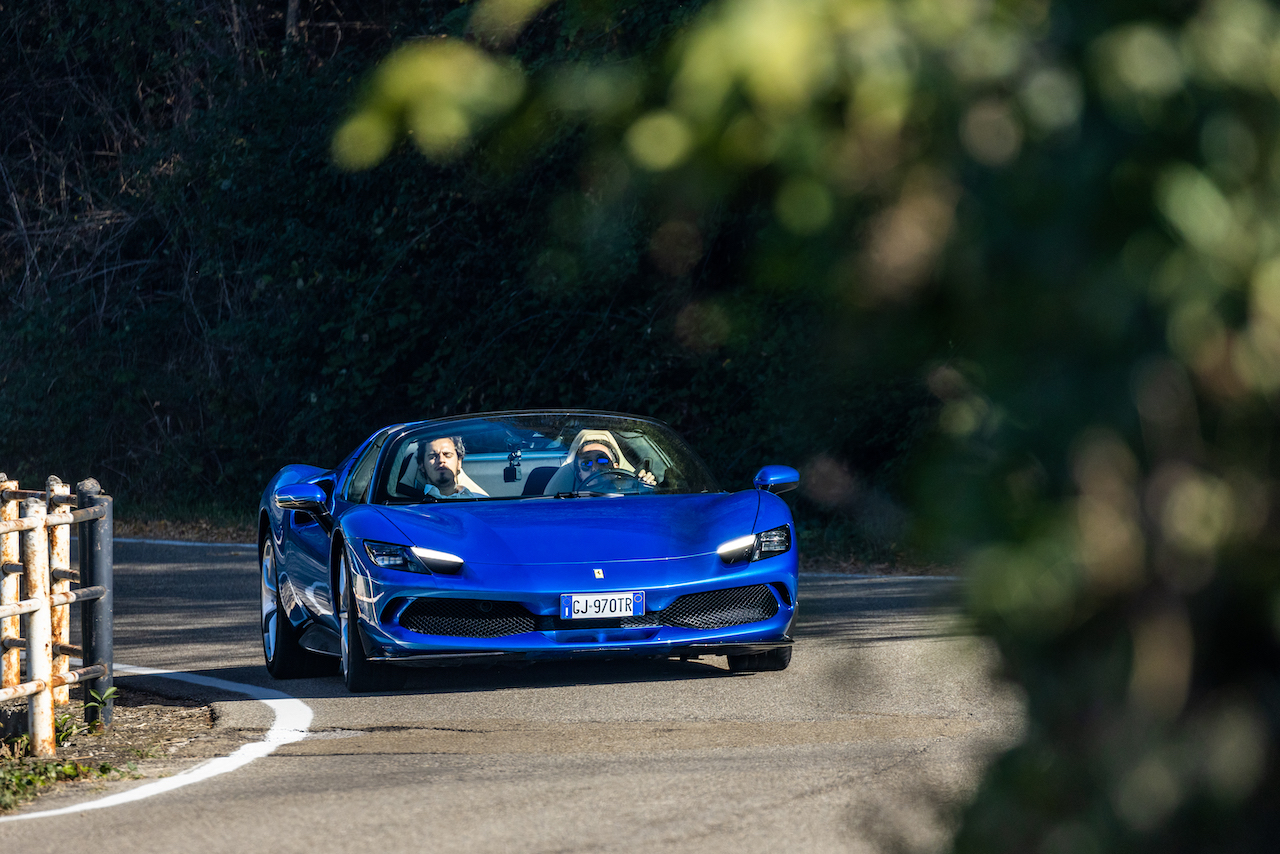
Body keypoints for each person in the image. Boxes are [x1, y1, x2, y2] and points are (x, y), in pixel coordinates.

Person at [418, 436, 488, 498]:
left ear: (459, 463)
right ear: (422, 465)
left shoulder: (482, 503)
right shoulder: (411, 506)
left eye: (447, 455)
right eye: (433, 456)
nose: (441, 460)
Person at [573, 440, 657, 489]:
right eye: (586, 463)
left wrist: (646, 488)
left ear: (616, 468)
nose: (595, 467)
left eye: (603, 461)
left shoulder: (632, 494)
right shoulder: (568, 504)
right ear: (580, 475)